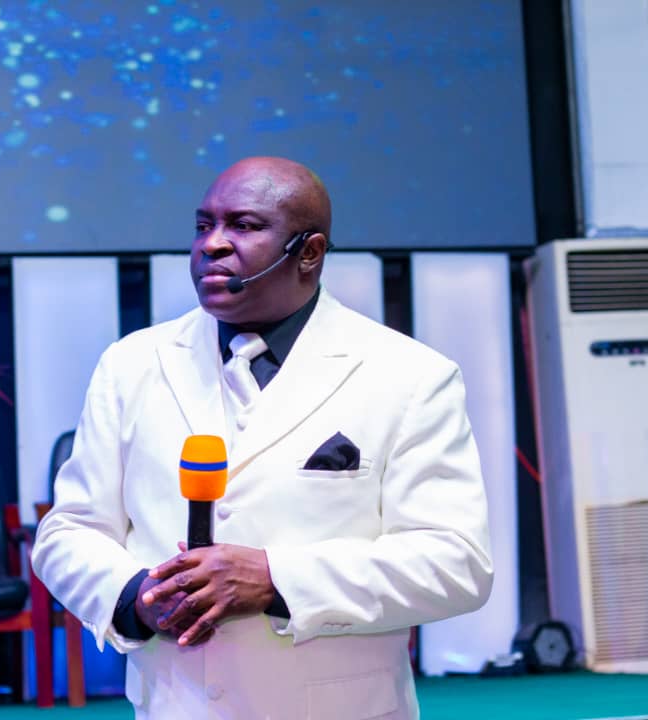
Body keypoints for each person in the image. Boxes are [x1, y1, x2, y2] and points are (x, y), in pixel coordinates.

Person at [31, 156, 493, 719]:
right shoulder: (131, 364)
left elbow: (455, 563)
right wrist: (136, 598)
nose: (212, 245)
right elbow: (69, 530)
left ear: (309, 252)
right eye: (204, 226)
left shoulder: (409, 375)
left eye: (244, 226)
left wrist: (275, 579)